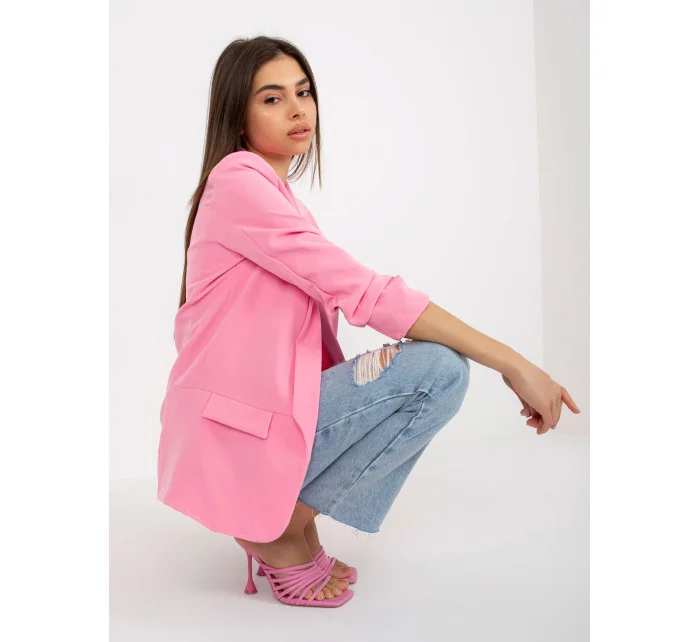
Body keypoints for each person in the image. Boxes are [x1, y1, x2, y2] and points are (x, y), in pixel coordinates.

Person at [157, 35, 581, 609]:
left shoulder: (273, 196)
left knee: (437, 368)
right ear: (237, 116)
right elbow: (365, 291)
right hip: (236, 430)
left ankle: (285, 518)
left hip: (261, 417)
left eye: (303, 92)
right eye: (273, 99)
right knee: (436, 371)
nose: (298, 109)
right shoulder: (238, 181)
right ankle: (274, 527)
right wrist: (513, 361)